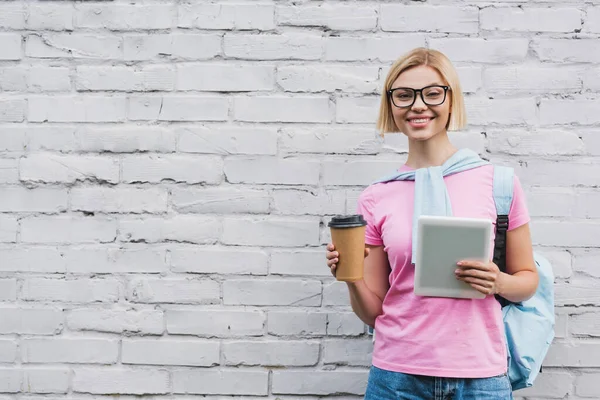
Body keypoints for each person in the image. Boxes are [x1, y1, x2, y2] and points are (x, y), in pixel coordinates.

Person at [325, 48, 539, 400]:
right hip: (396, 376)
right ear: (391, 105)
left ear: (451, 100)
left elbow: (528, 281)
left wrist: (498, 281)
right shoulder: (377, 196)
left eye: (433, 93)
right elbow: (374, 312)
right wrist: (350, 279)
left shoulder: (499, 183)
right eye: (404, 95)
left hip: (481, 376)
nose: (418, 105)